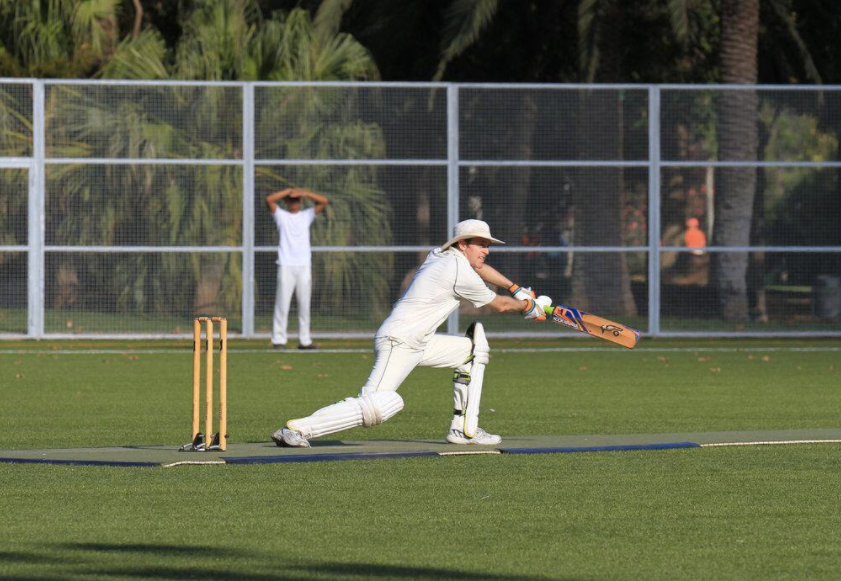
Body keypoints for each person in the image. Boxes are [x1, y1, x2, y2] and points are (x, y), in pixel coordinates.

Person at [271, 219, 552, 447]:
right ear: (463, 244)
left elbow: (483, 269)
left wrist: (515, 288)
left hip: (419, 341)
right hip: (399, 340)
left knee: (471, 351)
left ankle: (463, 430)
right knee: (382, 403)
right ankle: (296, 429)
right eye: (481, 244)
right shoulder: (457, 271)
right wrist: (530, 306)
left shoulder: (440, 255)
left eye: (488, 245)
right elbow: (500, 306)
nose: (486, 250)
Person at [266, 187, 330, 350]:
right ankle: (279, 339)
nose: (294, 204)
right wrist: (288, 191)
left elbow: (324, 201)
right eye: (291, 201)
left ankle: (305, 340)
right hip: (286, 264)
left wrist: (304, 193)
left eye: (297, 201)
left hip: (303, 265)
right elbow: (270, 200)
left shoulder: (306, 215)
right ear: (287, 202)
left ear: (300, 202)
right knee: (282, 303)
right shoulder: (282, 216)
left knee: (304, 304)